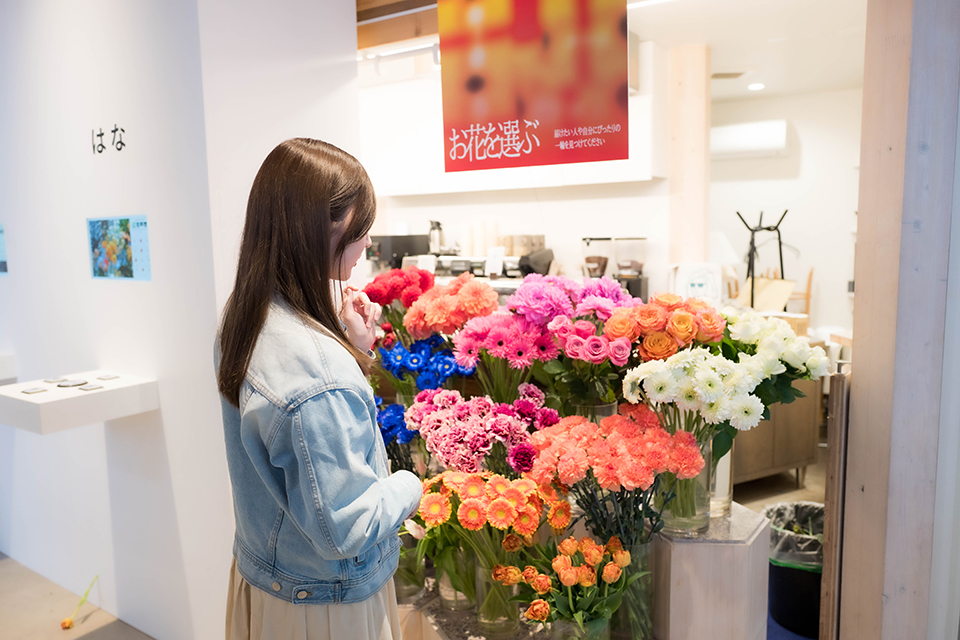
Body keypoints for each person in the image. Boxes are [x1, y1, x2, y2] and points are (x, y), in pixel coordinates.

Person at [216, 138, 423, 640]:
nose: (368, 244)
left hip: (269, 577)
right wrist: (412, 484)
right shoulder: (317, 374)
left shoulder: (245, 316)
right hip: (324, 608)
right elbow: (346, 528)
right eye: (360, 228)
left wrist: (351, 345)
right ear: (318, 228)